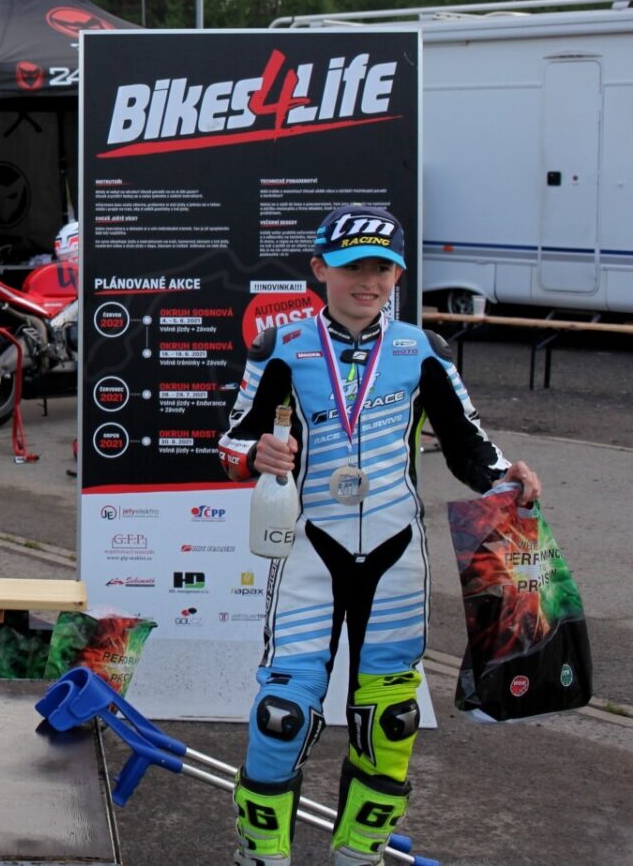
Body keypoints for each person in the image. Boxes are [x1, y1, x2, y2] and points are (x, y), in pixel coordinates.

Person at [218, 205, 541, 865]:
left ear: (398, 275)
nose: (367, 281)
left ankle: (360, 852)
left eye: (382, 268)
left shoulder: (422, 351)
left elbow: (468, 445)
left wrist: (506, 475)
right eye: (352, 267)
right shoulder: (281, 347)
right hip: (310, 548)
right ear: (320, 269)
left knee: (392, 718)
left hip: (396, 555)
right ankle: (262, 853)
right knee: (281, 714)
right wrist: (256, 456)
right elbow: (232, 441)